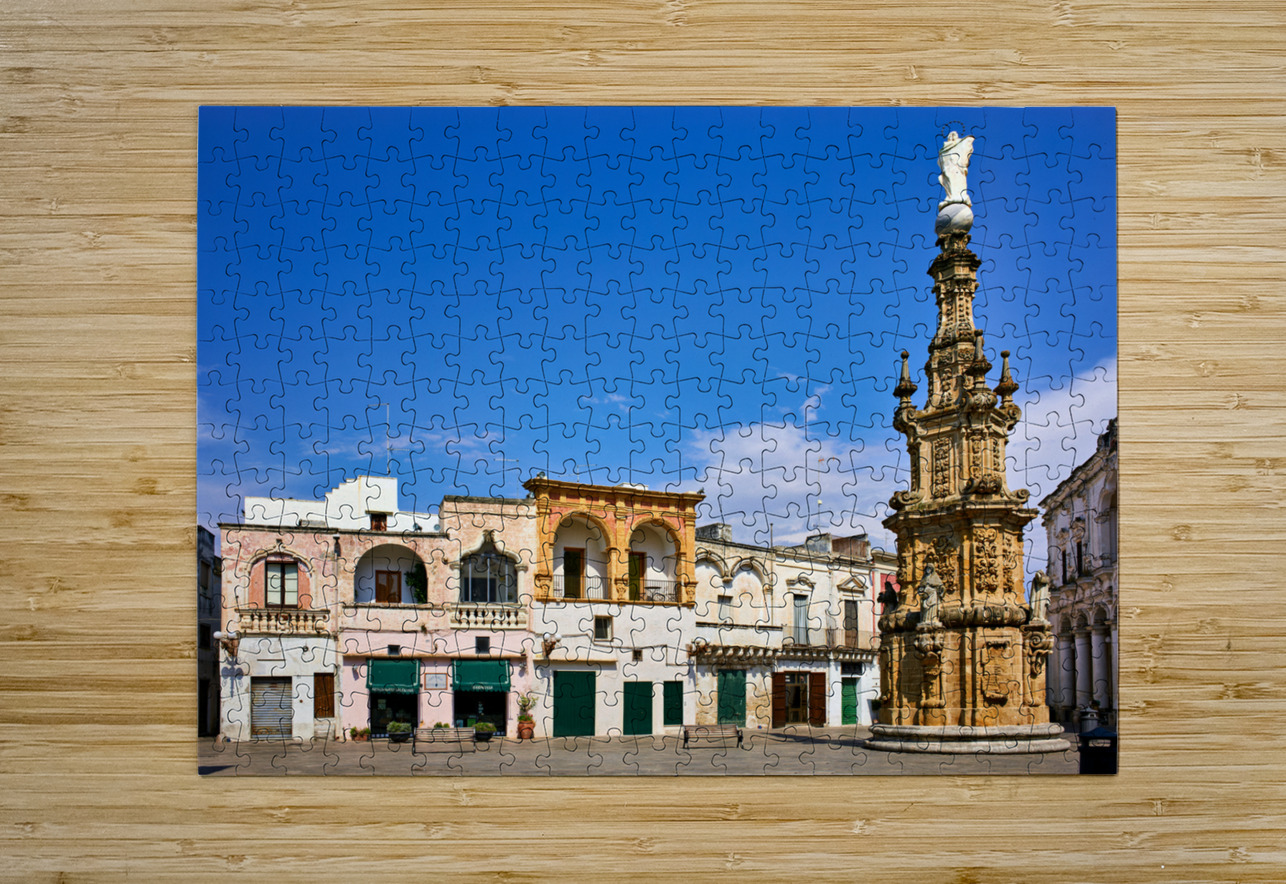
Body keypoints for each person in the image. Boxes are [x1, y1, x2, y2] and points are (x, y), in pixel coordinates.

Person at [938, 131, 975, 209]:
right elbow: (941, 160)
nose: (951, 137)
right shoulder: (944, 149)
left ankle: (958, 195)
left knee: (958, 178)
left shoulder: (959, 144)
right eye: (950, 135)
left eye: (953, 135)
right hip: (948, 168)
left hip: (957, 168)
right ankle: (950, 196)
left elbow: (966, 147)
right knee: (947, 179)